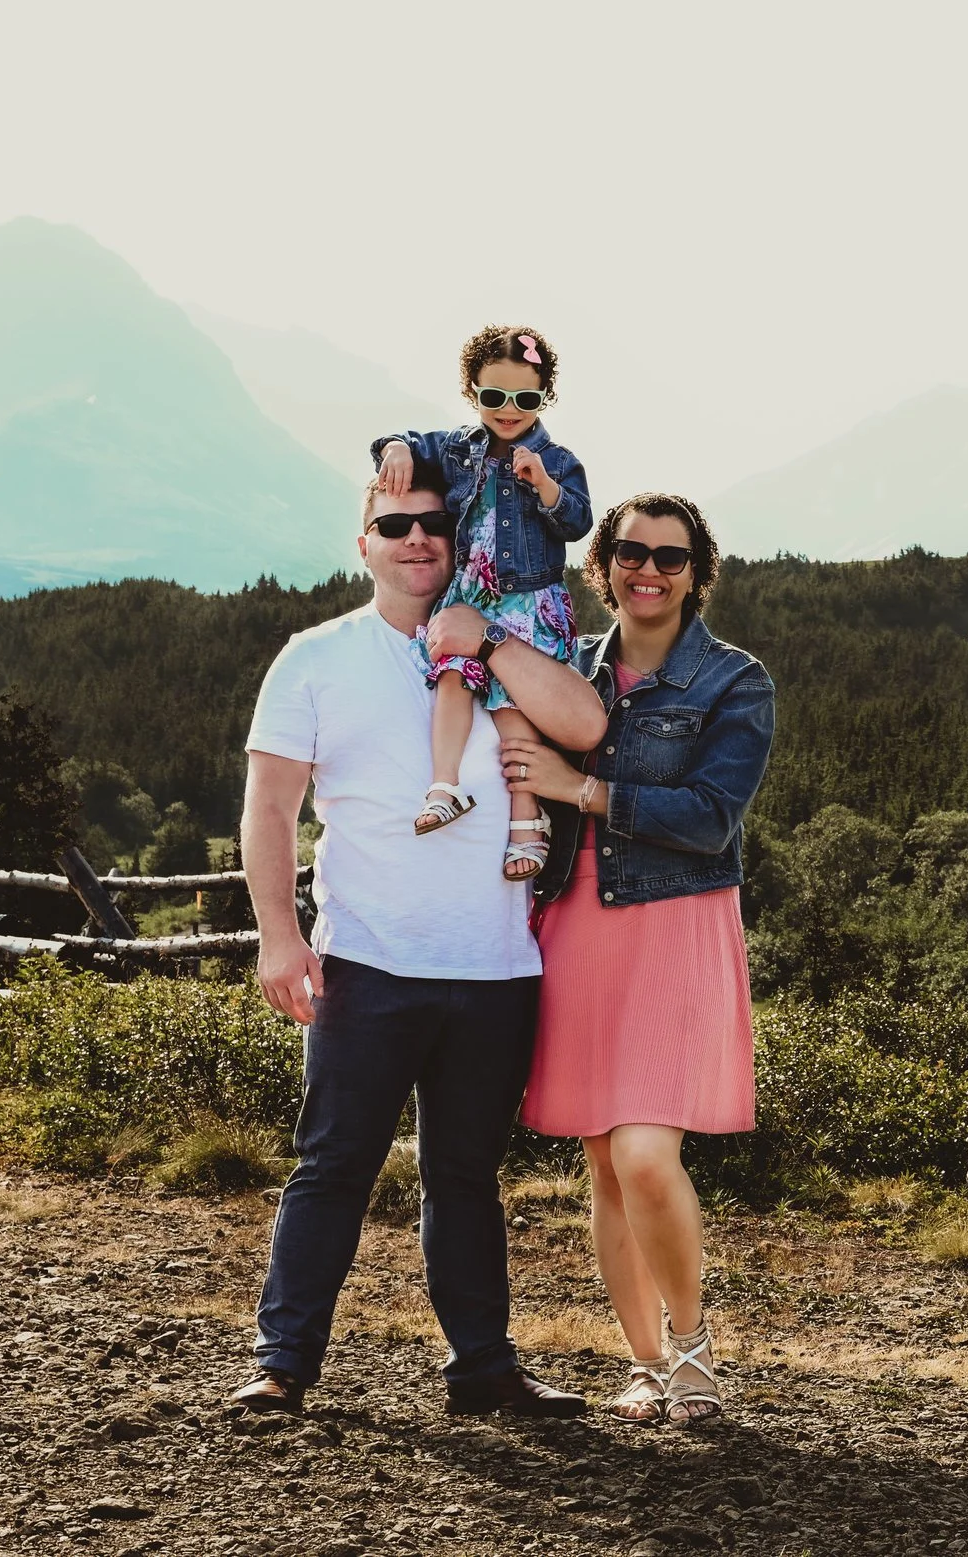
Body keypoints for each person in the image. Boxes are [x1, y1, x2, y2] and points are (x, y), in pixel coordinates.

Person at [232, 462, 606, 1419]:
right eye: (394, 523)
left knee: (467, 1176)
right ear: (363, 544)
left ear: (459, 536)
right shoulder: (313, 657)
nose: (417, 538)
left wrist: (487, 640)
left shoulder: (509, 645)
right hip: (368, 960)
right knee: (334, 1162)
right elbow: (270, 807)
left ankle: (483, 1369)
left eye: (435, 523)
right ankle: (284, 1363)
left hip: (497, 968)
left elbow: (585, 726)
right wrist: (280, 937)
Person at [501, 492, 775, 1427]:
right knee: (607, 1167)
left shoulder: (735, 682)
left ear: (698, 571)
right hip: (574, 924)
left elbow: (709, 819)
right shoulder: (567, 672)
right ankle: (647, 1363)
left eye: (668, 554)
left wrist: (583, 785)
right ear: (601, 562)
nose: (645, 569)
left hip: (676, 924)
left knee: (648, 1152)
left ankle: (694, 1348)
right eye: (628, 551)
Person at [371, 324, 591, 878]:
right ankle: (444, 785)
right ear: (472, 393)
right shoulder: (458, 450)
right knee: (452, 679)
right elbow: (410, 442)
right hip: (471, 592)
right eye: (494, 397)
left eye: (526, 398)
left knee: (512, 709)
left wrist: (545, 486)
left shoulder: (557, 459)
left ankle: (527, 817)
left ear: (547, 397)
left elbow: (578, 521)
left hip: (526, 600)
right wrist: (394, 447)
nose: (509, 410)